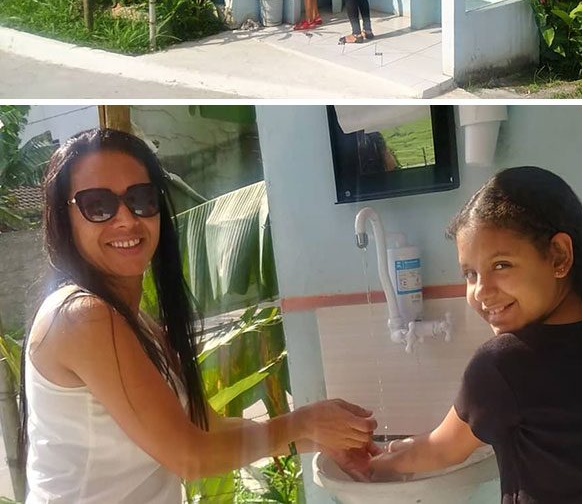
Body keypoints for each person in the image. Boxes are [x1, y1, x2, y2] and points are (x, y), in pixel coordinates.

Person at [20, 128, 377, 503]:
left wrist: (314, 437)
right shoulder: (82, 317)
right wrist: (300, 424)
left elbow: (208, 427)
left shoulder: (132, 321)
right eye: (98, 205)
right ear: (64, 218)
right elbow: (189, 456)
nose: (125, 219)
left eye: (141, 199)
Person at [358, 167, 582, 503]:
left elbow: (441, 449)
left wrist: (373, 465)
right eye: (470, 273)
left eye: (501, 265)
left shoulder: (505, 364)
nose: (481, 291)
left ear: (559, 257)